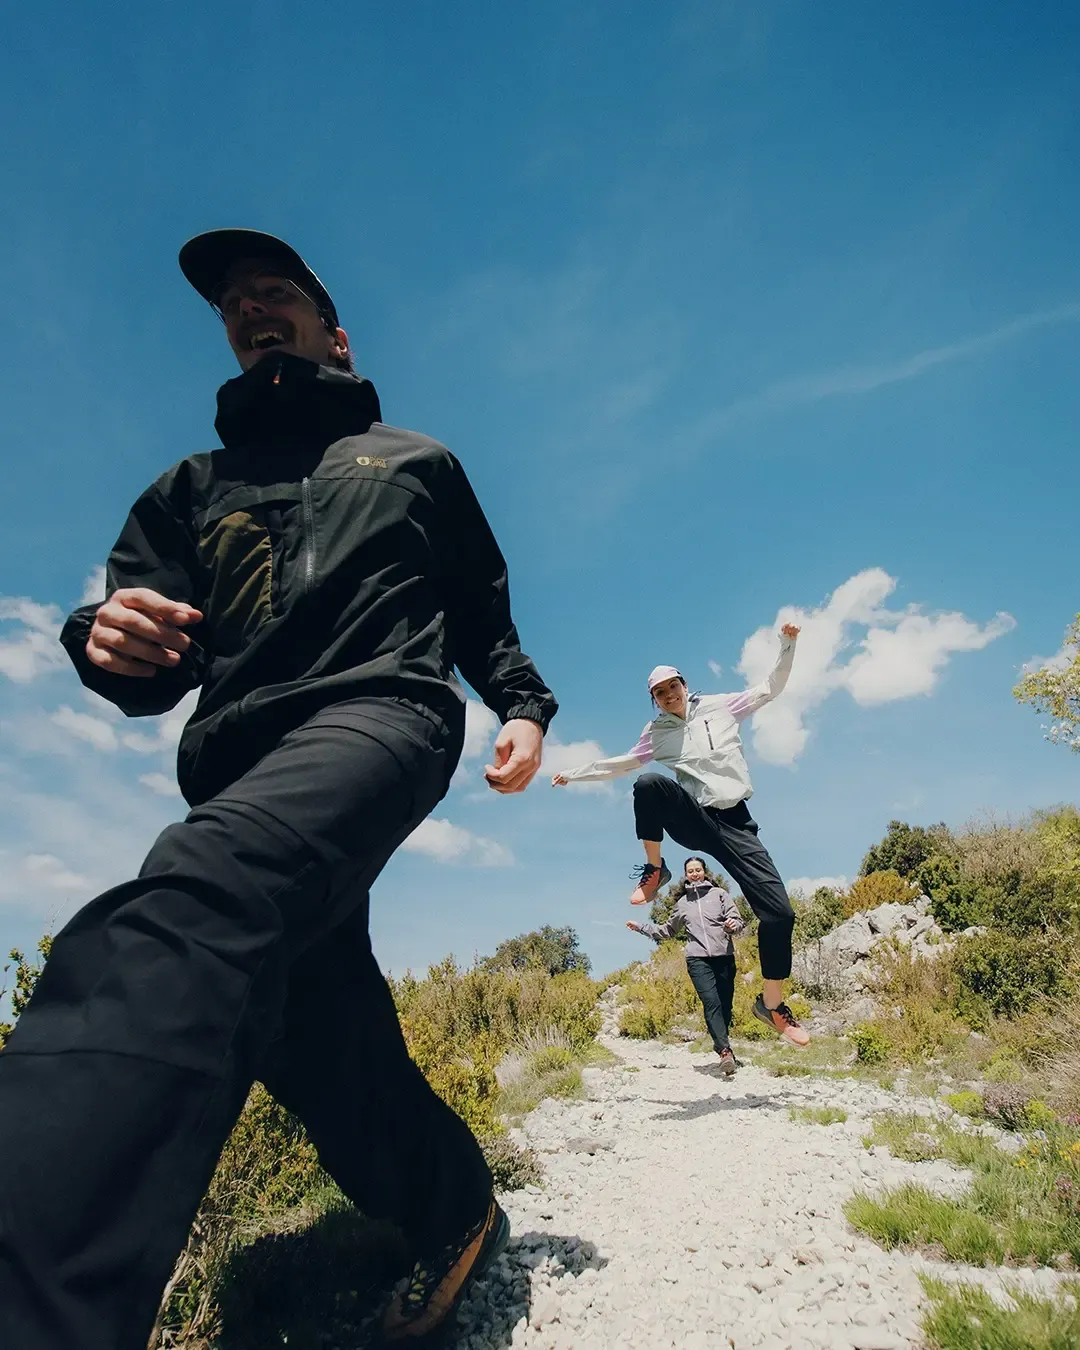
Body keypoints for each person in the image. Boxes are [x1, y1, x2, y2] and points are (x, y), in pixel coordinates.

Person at [0, 229, 558, 1350]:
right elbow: (146, 653)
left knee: (189, 906)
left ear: (333, 335)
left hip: (383, 714)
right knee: (315, 1030)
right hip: (238, 759)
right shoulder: (189, 488)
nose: (250, 309)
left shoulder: (415, 461)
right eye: (232, 304)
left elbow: (482, 616)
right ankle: (454, 1208)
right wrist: (104, 636)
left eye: (273, 292)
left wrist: (523, 709)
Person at [552, 624, 808, 1047]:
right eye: (660, 692)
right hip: (697, 817)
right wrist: (574, 774)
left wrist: (788, 643)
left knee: (780, 913)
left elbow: (771, 687)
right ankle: (656, 870)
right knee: (649, 784)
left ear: (684, 685)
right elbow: (622, 764)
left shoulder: (722, 706)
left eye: (673, 686)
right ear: (653, 699)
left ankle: (772, 1004)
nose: (669, 695)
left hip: (737, 822)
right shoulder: (656, 734)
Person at [626, 856, 745, 1075]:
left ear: (704, 871)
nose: (695, 874)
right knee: (711, 1002)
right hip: (697, 960)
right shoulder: (683, 903)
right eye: (690, 871)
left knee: (725, 1005)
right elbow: (667, 931)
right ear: (686, 875)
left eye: (698, 870)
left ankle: (723, 1043)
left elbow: (737, 921)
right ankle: (724, 1052)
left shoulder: (719, 894)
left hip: (724, 956)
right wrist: (642, 927)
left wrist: (731, 926)